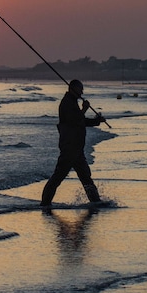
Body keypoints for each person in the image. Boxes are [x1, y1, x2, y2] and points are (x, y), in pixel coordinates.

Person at [41, 79, 106, 208]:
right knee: (58, 176)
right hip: (69, 147)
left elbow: (81, 121)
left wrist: (96, 121)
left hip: (77, 148)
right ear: (73, 88)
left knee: (85, 176)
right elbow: (74, 120)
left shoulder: (73, 102)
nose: (82, 92)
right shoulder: (66, 103)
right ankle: (45, 203)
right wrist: (84, 109)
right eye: (80, 89)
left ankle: (95, 202)